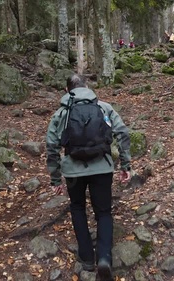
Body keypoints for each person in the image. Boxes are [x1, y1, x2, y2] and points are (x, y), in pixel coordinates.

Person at [46, 74, 132, 280]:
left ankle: (86, 257)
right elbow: (123, 133)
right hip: (102, 168)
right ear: (87, 87)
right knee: (103, 211)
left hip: (73, 171)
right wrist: (125, 164)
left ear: (67, 91)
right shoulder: (104, 107)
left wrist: (56, 179)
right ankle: (104, 257)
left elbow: (51, 146)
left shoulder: (62, 112)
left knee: (77, 208)